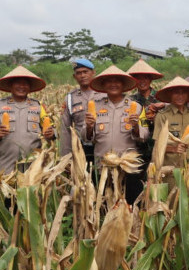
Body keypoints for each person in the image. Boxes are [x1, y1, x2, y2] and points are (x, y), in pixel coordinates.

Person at [83, 65, 147, 205]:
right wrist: (88, 126)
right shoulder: (95, 106)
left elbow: (144, 135)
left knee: (129, 205)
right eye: (109, 81)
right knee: (104, 206)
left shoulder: (136, 106)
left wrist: (136, 126)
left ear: (123, 85)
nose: (113, 84)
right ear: (103, 85)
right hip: (103, 167)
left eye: (117, 81)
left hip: (127, 167)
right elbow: (87, 137)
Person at [0, 66, 55, 175]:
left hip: (33, 163)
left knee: (31, 191)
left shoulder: (38, 106)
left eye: (25, 84)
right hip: (6, 163)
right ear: (10, 86)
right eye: (18, 83)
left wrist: (51, 134)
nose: (22, 87)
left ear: (29, 87)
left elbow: (51, 130)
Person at [153, 76, 189, 169]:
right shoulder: (162, 116)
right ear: (169, 95)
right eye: (176, 93)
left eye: (183, 93)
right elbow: (157, 146)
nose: (180, 96)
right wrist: (173, 149)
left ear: (188, 95)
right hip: (171, 167)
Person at [60, 59, 103, 160]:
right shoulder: (70, 98)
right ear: (74, 77)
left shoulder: (104, 94)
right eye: (78, 73)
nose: (82, 75)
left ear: (93, 73)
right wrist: (65, 158)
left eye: (85, 72)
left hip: (102, 147)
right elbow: (65, 129)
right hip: (80, 149)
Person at [127, 59, 165, 172]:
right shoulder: (130, 101)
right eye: (138, 78)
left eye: (145, 77)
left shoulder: (161, 98)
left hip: (158, 147)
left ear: (151, 79)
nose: (142, 81)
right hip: (137, 149)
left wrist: (157, 117)